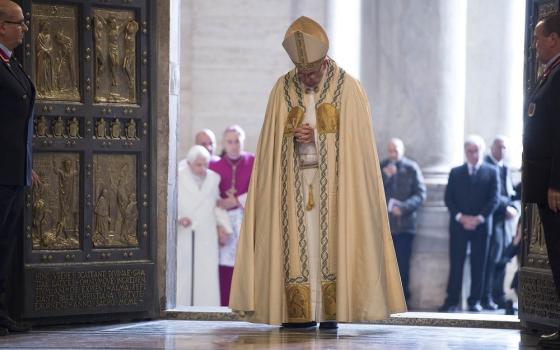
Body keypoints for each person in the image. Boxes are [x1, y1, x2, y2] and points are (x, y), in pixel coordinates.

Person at [229, 16, 406, 329]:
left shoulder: (349, 89)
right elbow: (271, 152)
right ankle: (296, 312)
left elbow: (356, 154)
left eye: (311, 72)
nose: (306, 78)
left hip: (334, 196)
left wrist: (319, 142)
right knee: (296, 250)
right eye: (301, 72)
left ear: (324, 62)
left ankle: (329, 312)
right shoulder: (282, 89)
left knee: (329, 247)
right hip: (293, 195)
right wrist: (293, 141)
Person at [0, 0, 37, 335]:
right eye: (19, 22)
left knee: (6, 244)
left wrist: (27, 164)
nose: (24, 28)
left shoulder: (12, 65)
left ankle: (1, 312)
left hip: (13, 172)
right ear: (1, 26)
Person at [523, 13, 560, 347]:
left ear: (554, 39)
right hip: (544, 183)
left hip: (554, 187)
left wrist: (555, 183)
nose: (533, 45)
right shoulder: (549, 73)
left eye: (537, 38)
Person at [439, 135, 499, 312]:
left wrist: (478, 218)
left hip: (481, 226)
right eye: (469, 151)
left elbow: (494, 199)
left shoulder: (491, 171)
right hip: (459, 225)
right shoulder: (455, 172)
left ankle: (475, 301)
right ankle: (452, 301)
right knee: (456, 263)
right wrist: (461, 217)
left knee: (479, 264)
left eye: (476, 151)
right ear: (465, 152)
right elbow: (449, 199)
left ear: (482, 151)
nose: (473, 155)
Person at [177, 145, 232, 306]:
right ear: (189, 163)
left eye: (205, 164)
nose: (202, 168)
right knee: (183, 271)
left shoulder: (214, 178)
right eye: (198, 164)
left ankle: (207, 308)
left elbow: (217, 205)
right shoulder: (178, 177)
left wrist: (224, 227)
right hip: (184, 231)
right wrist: (179, 218)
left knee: (206, 272)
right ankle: (181, 306)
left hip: (206, 232)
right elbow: (169, 205)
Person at [209, 125, 254, 307]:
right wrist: (219, 226)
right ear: (223, 143)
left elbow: (261, 190)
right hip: (224, 223)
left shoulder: (254, 162)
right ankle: (224, 305)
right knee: (224, 267)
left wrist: (237, 200)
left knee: (246, 264)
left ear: (242, 142)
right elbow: (210, 197)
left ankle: (246, 304)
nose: (234, 145)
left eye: (237, 141)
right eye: (230, 141)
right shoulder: (214, 165)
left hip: (247, 221)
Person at [380, 138, 426, 305]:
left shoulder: (411, 168)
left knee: (403, 264)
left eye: (396, 150)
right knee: (385, 264)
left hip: (406, 225)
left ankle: (403, 299)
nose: (393, 153)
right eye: (391, 150)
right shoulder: (382, 166)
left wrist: (404, 207)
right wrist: (386, 176)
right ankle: (386, 299)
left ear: (402, 150)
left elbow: (421, 194)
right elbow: (373, 190)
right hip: (386, 226)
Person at [481, 136, 518, 310]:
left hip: (506, 223)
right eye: (499, 147)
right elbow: (491, 195)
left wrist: (514, 208)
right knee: (492, 259)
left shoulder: (506, 167)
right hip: (493, 220)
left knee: (503, 257)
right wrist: (505, 208)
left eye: (505, 148)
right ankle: (487, 296)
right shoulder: (487, 166)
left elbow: (510, 193)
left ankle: (499, 294)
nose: (502, 151)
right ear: (492, 148)